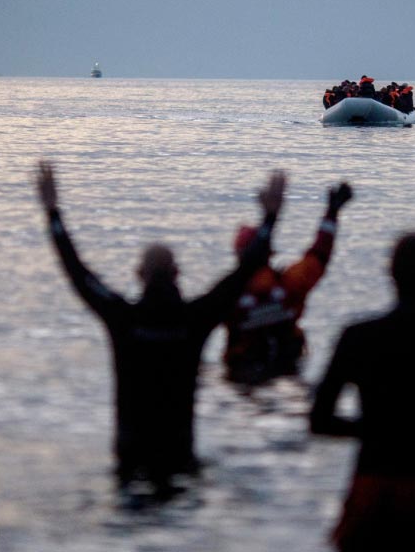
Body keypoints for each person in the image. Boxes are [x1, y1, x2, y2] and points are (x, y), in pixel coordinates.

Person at [36, 161, 286, 495]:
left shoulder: (123, 319)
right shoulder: (195, 319)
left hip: (129, 459)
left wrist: (53, 214)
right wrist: (270, 218)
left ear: (139, 275)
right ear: (178, 274)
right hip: (180, 457)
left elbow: (77, 272)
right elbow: (242, 274)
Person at [310, 232, 415, 552]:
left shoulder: (357, 337)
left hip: (370, 489)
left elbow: (320, 421)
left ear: (394, 275)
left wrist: (377, 428)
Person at [223, 182, 354, 384]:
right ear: (268, 252)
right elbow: (319, 255)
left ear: (238, 254)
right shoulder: (289, 285)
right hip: (288, 368)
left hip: (242, 374)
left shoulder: (226, 296)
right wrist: (332, 212)